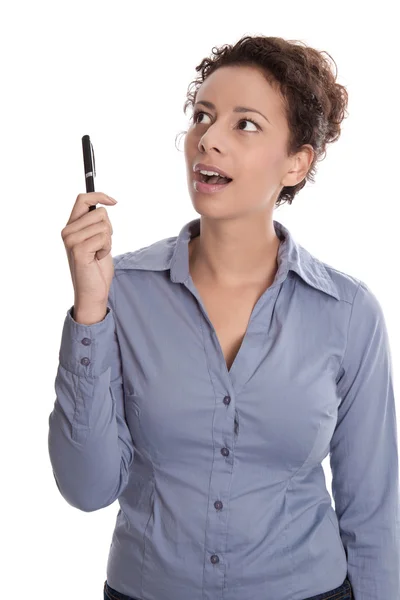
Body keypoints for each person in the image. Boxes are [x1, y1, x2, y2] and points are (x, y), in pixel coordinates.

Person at [48, 35, 399, 600]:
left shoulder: (349, 314)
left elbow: (374, 513)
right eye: (202, 117)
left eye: (246, 124)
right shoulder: (124, 292)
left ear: (296, 162)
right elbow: (87, 488)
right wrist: (90, 310)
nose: (207, 139)